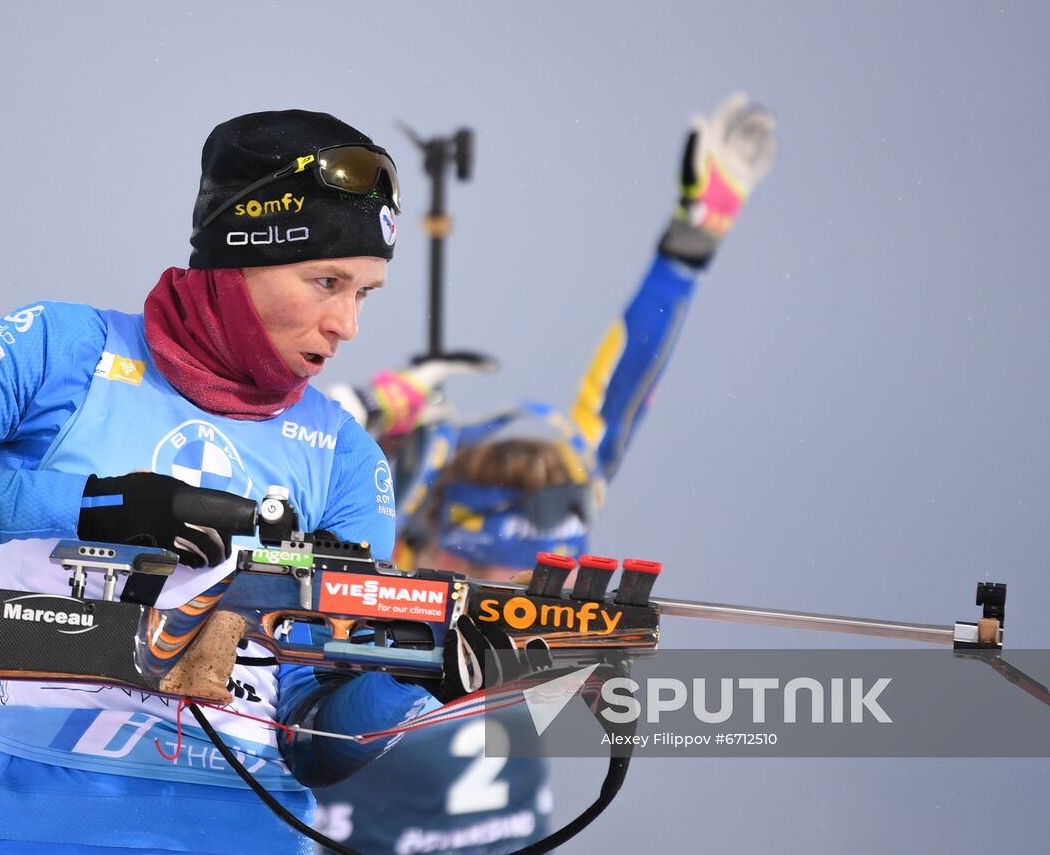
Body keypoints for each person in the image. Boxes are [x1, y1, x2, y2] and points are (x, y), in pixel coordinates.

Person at [0, 110, 440, 854]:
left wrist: (417, 675)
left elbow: (315, 746)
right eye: (326, 281)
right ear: (240, 257)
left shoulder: (345, 453)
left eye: (365, 293)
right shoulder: (61, 349)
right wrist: (92, 505)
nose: (347, 325)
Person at [316, 93, 780, 854]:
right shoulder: (381, 542)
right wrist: (369, 406)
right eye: (475, 561)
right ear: (423, 538)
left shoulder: (560, 545)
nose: (506, 585)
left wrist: (695, 237)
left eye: (535, 572)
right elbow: (276, 456)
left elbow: (624, 385)